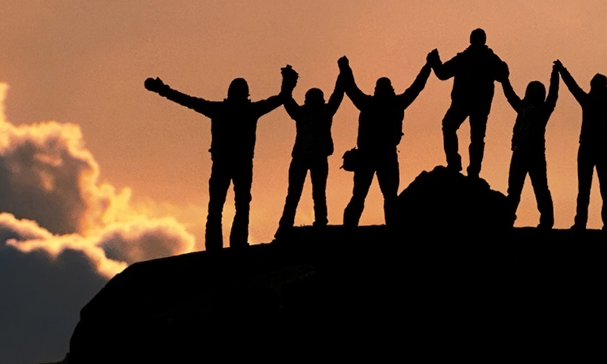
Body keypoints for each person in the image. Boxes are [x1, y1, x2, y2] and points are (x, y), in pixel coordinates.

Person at [145, 65, 297, 251]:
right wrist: (288, 82)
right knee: (237, 206)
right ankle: (236, 245)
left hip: (225, 164)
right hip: (238, 165)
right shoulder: (249, 110)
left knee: (219, 208)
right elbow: (280, 98)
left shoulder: (221, 110)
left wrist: (163, 90)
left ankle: (217, 247)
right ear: (246, 95)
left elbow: (187, 100)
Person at [337, 52, 434, 226]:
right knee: (388, 196)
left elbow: (350, 87)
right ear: (391, 89)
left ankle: (349, 230)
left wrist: (345, 68)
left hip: (369, 155)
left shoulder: (367, 104)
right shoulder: (396, 104)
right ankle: (392, 229)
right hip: (385, 155)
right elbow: (417, 87)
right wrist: (428, 67)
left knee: (361, 196)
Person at [552, 55, 607, 231]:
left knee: (593, 188)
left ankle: (587, 223)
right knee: (599, 187)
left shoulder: (592, 100)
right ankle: (597, 223)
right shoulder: (600, 99)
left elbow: (574, 87)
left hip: (594, 147)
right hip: (594, 147)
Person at [430, 28, 510, 179]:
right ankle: (464, 167)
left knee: (470, 135)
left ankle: (468, 168)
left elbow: (503, 75)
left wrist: (434, 62)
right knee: (457, 129)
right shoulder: (473, 58)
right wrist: (434, 62)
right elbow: (443, 73)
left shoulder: (481, 58)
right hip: (468, 103)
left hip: (473, 104)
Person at [275, 71, 346, 238]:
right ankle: (290, 225)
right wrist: (288, 81)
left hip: (313, 157)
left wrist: (343, 74)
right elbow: (287, 99)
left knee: (313, 193)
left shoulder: (313, 112)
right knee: (299, 193)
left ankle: (315, 224)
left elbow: (337, 94)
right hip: (305, 157)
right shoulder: (313, 112)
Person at [499, 67, 560, 228]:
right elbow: (510, 96)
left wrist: (555, 75)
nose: (531, 93)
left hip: (534, 154)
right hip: (519, 152)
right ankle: (507, 220)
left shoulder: (543, 110)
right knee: (514, 190)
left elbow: (553, 96)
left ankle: (546, 221)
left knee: (540, 188)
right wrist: (504, 79)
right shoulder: (522, 108)